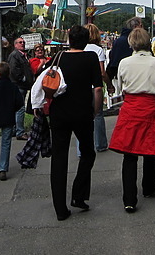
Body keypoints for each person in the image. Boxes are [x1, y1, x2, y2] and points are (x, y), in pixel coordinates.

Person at [46, 25, 103, 221]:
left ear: (69, 39)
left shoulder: (58, 57)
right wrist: (95, 110)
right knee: (88, 153)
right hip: (82, 113)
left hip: (59, 113)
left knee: (59, 158)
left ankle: (60, 209)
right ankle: (78, 195)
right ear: (87, 41)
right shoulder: (90, 58)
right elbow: (97, 88)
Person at [108, 28, 155, 213]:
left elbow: (121, 85)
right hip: (150, 106)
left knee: (129, 153)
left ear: (131, 42)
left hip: (131, 106)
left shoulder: (124, 62)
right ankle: (148, 187)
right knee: (150, 148)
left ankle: (129, 199)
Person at [0, 62, 24, 181]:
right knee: (6, 143)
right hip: (8, 118)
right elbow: (19, 103)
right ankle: (3, 168)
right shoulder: (13, 88)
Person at [85, 23, 114, 152]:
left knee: (83, 116)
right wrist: (109, 85)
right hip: (94, 86)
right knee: (97, 115)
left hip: (80, 87)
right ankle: (100, 144)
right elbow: (102, 72)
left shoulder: (78, 48)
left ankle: (84, 146)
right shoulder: (97, 50)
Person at [8, 37, 34, 140]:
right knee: (20, 108)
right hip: (18, 85)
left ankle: (14, 130)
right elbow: (14, 70)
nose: (22, 43)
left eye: (23, 42)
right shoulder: (15, 55)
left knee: (17, 108)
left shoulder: (23, 55)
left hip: (22, 85)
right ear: (15, 45)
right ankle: (20, 131)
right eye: (20, 42)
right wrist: (22, 79)